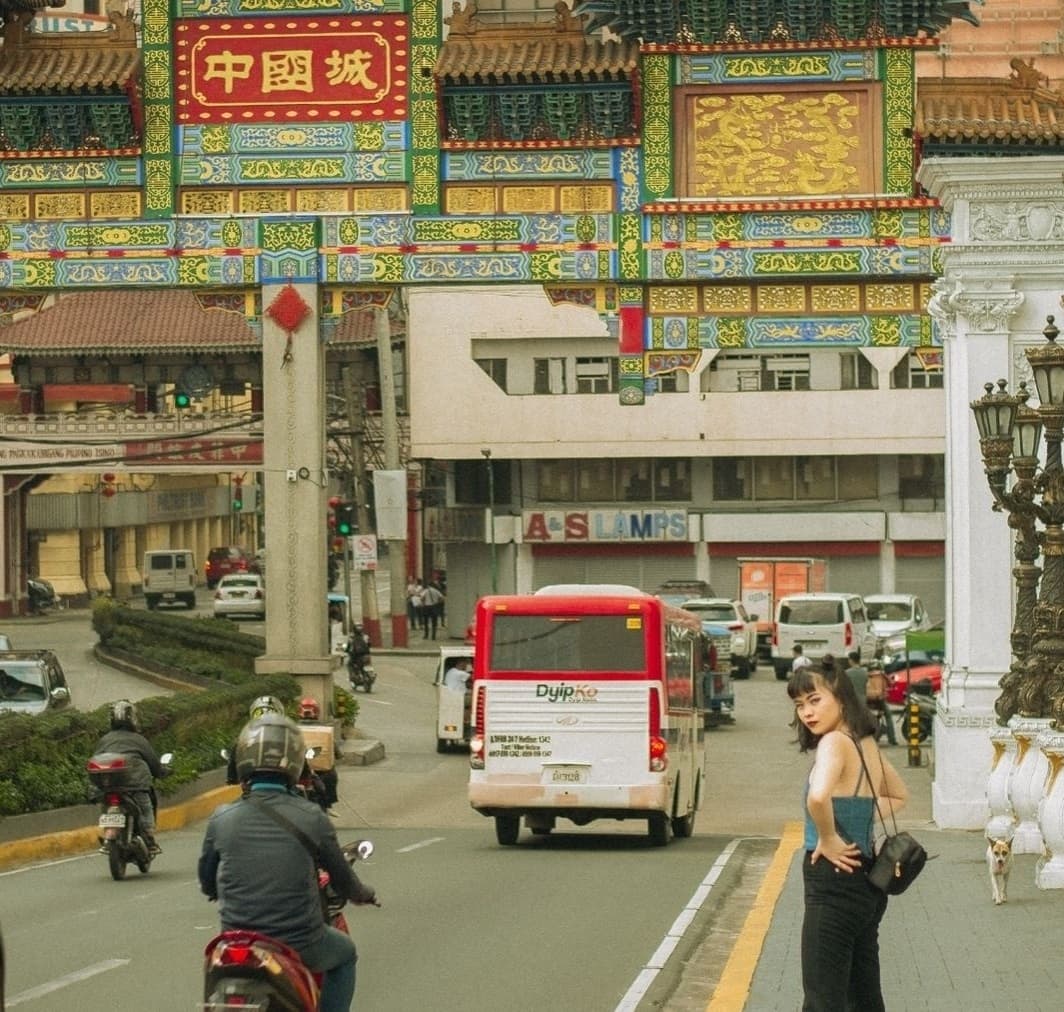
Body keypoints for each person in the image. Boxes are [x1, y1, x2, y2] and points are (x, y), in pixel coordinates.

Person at [199, 714, 378, 1012]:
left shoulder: (222, 817)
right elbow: (343, 879)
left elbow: (206, 880)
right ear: (295, 763)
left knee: (213, 968)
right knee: (345, 953)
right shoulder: (313, 817)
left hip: (235, 942)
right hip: (299, 942)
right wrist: (363, 894)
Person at [788, 663, 908, 1011]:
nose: (807, 712)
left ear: (841, 698)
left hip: (833, 882)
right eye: (799, 705)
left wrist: (828, 837)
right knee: (864, 997)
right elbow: (898, 795)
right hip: (867, 882)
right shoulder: (864, 742)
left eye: (815, 700)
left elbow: (818, 797)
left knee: (822, 998)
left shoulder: (833, 743)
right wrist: (855, 819)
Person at [92, 700, 169, 856]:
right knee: (145, 807)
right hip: (136, 786)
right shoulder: (139, 739)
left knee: (106, 806)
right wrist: (162, 772)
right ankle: (149, 839)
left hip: (109, 786)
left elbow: (95, 759)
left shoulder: (105, 739)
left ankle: (108, 838)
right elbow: (153, 762)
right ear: (133, 718)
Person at [296, 696, 341, 809]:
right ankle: (328, 804)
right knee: (331, 775)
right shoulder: (324, 730)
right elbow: (337, 753)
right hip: (322, 773)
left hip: (298, 771)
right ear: (316, 712)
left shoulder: (292, 729)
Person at [866, 663, 898, 746]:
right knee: (888, 717)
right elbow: (891, 683)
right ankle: (892, 739)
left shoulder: (867, 675)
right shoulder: (882, 675)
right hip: (880, 699)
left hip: (869, 699)